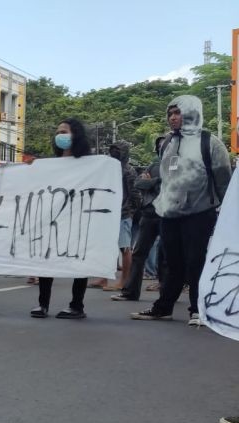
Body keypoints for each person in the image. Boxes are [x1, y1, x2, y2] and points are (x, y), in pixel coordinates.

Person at [132, 95, 233, 326]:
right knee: (172, 263)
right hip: (169, 214)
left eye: (177, 112)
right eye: (170, 114)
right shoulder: (167, 143)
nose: (173, 118)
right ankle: (163, 308)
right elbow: (166, 179)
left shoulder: (210, 143)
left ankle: (198, 310)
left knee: (195, 261)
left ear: (192, 113)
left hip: (200, 213)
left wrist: (226, 218)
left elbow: (224, 183)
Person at [30, 118, 92, 319]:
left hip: (78, 218)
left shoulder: (90, 165)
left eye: (64, 131)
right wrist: (31, 168)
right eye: (58, 132)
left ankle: (77, 306)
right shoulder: (50, 164)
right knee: (46, 259)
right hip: (53, 219)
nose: (60, 136)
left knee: (78, 260)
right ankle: (43, 304)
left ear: (76, 135)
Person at [112, 136, 165, 301]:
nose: (161, 148)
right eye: (159, 145)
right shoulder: (154, 165)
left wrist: (153, 181)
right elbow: (139, 184)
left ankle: (165, 291)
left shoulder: (174, 166)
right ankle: (130, 291)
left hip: (166, 214)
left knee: (166, 255)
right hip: (148, 213)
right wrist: (155, 182)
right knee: (138, 253)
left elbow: (170, 183)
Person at [91, 142, 139, 291]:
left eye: (117, 150)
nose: (114, 153)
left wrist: (131, 211)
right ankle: (104, 278)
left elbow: (135, 194)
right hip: (109, 213)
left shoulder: (128, 171)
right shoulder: (110, 169)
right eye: (113, 150)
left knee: (124, 248)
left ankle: (124, 281)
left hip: (123, 214)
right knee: (107, 246)